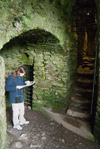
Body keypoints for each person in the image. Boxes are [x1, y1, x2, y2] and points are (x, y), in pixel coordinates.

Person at [5, 66, 30, 131]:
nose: (23, 75)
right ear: (19, 72)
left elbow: (21, 84)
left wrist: (25, 83)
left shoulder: (20, 77)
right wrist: (16, 87)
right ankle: (16, 124)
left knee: (22, 109)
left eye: (24, 73)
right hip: (14, 96)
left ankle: (22, 120)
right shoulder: (11, 77)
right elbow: (7, 88)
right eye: (22, 73)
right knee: (16, 112)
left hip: (20, 96)